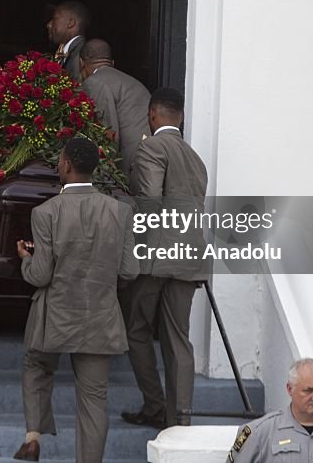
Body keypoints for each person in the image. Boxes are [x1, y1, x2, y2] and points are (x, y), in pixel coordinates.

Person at [12, 137, 139, 463]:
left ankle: (33, 437)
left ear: (66, 165)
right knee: (94, 399)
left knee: (36, 364)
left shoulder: (46, 213)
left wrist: (26, 258)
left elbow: (40, 276)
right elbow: (129, 271)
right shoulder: (120, 212)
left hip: (54, 315)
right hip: (99, 315)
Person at [121, 86, 209, 429]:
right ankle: (180, 419)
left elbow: (150, 203)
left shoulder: (152, 146)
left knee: (137, 330)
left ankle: (155, 406)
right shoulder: (195, 157)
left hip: (155, 258)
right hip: (189, 257)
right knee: (178, 339)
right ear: (181, 117)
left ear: (152, 115)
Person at [79, 38, 150, 176]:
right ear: (112, 63)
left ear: (81, 63)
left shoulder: (94, 82)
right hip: (147, 163)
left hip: (128, 168)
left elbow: (106, 136)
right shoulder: (130, 81)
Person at [46, 0, 90, 83]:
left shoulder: (81, 53)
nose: (49, 24)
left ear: (71, 23)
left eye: (55, 19)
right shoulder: (65, 51)